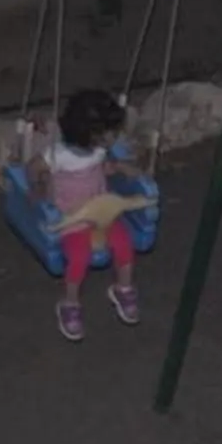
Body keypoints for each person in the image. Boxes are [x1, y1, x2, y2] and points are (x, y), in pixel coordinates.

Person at [44, 87, 143, 341]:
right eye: (110, 132)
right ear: (90, 133)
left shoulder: (99, 150)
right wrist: (37, 190)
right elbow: (34, 168)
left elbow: (103, 168)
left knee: (124, 244)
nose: (115, 136)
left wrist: (121, 166)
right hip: (74, 218)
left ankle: (123, 287)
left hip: (102, 212)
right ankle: (69, 304)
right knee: (79, 258)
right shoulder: (60, 155)